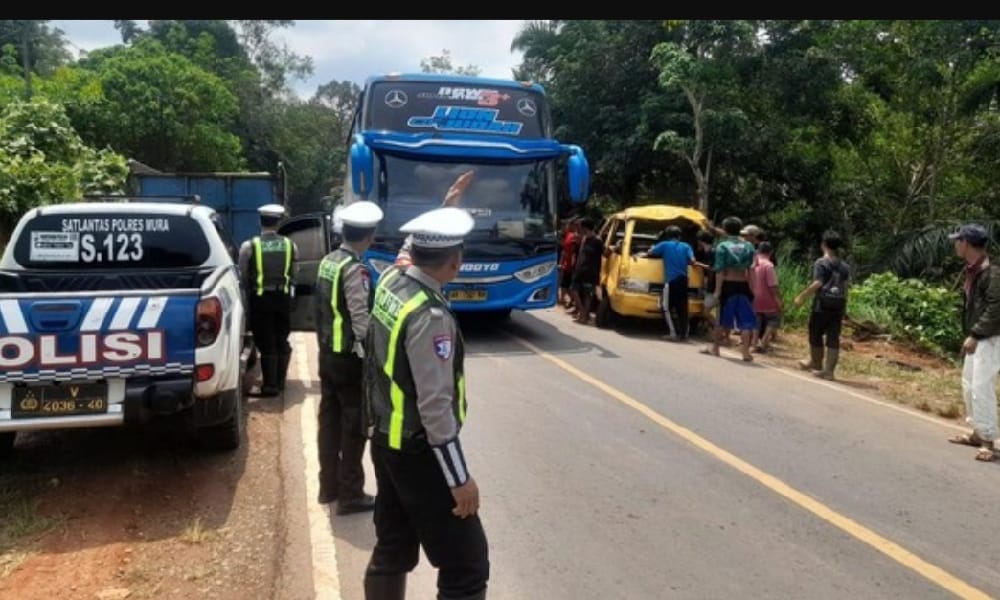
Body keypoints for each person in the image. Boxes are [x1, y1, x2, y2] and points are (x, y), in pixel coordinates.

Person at [362, 206, 489, 600]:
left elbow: (407, 250)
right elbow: (435, 406)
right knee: (466, 564)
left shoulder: (391, 279)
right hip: (419, 451)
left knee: (392, 548)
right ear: (455, 262)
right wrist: (458, 479)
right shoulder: (429, 316)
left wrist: (445, 203)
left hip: (385, 441)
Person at [314, 200, 384, 512]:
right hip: (348, 360)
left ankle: (327, 487)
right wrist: (374, 355)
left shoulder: (328, 261)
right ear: (369, 236)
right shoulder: (356, 269)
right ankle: (351, 493)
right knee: (354, 426)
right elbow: (360, 318)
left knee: (329, 422)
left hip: (327, 354)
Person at [945, 224, 1000, 462]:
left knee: (981, 387)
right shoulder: (974, 271)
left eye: (958, 241)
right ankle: (978, 432)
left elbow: (995, 308)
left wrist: (975, 334)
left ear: (966, 243)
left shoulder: (992, 273)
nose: (956, 245)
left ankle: (988, 440)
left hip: (990, 337)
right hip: (978, 337)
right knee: (968, 384)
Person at [238, 204, 298, 396]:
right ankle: (280, 383)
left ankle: (270, 386)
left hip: (261, 300)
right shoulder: (291, 245)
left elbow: (242, 277)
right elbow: (295, 274)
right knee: (282, 338)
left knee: (266, 342)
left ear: (260, 221)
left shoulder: (249, 246)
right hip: (283, 299)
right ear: (279, 222)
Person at [793, 229, 851, 380]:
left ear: (823, 244)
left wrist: (802, 296)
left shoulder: (821, 262)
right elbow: (845, 287)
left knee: (815, 333)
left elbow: (818, 283)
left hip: (822, 304)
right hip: (838, 304)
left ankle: (816, 363)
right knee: (833, 337)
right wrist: (844, 306)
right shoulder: (845, 266)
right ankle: (829, 371)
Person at [395, 170, 475, 268]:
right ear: (456, 263)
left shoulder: (394, 274)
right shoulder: (424, 283)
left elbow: (408, 249)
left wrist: (446, 209)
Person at [703, 216, 757, 361]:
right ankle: (745, 352)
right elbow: (751, 270)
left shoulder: (723, 246)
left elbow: (720, 270)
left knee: (722, 319)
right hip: (743, 285)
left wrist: (718, 291)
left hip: (728, 285)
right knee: (746, 321)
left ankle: (716, 348)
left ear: (725, 229)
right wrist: (753, 288)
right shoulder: (749, 246)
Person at [644, 225, 706, 341]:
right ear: (679, 236)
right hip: (683, 280)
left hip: (671, 281)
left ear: (667, 236)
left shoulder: (664, 245)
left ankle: (672, 333)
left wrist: (651, 248)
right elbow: (692, 261)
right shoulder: (686, 246)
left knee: (665, 307)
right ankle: (684, 334)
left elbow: (650, 252)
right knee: (682, 308)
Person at [750, 241, 783, 353]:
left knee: (756, 321)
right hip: (768, 299)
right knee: (773, 319)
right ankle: (764, 342)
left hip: (754, 297)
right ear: (771, 252)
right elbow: (773, 286)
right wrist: (779, 301)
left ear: (758, 250)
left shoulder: (753, 264)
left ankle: (754, 344)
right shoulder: (768, 266)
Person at [559, 218, 581, 310]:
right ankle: (564, 300)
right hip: (566, 264)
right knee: (564, 284)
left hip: (572, 266)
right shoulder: (568, 235)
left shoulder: (575, 237)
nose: (566, 227)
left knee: (570, 286)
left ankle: (575, 303)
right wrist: (561, 263)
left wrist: (572, 264)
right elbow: (564, 251)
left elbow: (574, 252)